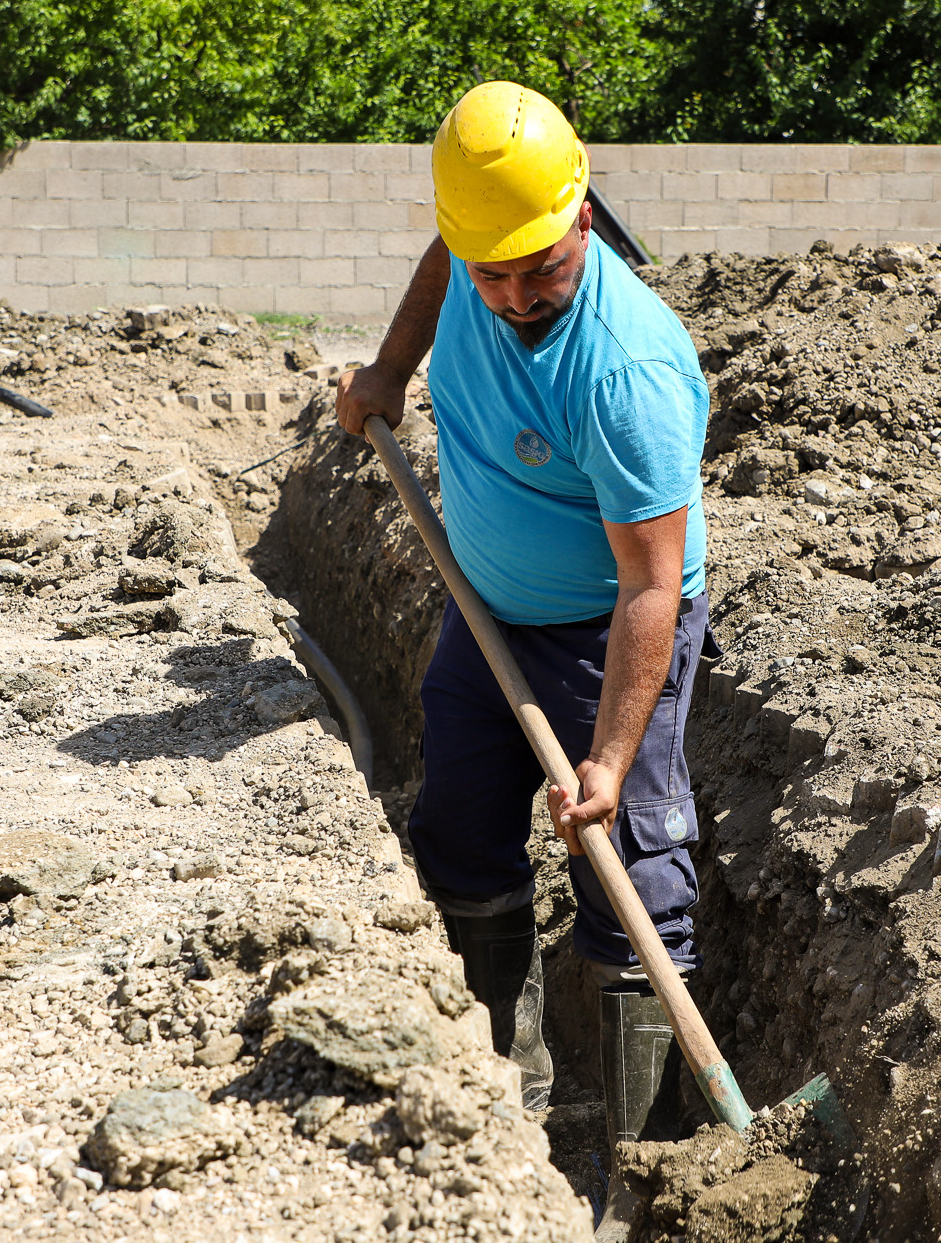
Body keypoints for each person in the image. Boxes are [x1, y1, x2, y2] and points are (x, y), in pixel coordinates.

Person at [335, 81, 711, 1143]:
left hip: (608, 630)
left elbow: (649, 586)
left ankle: (646, 1159)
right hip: (484, 611)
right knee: (456, 832)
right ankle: (511, 1105)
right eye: (488, 273)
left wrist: (608, 755)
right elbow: (444, 267)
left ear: (580, 219)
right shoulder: (480, 251)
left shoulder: (624, 371)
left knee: (632, 866)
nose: (510, 297)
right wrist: (390, 369)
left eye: (536, 272)